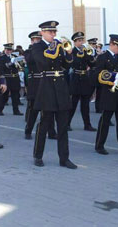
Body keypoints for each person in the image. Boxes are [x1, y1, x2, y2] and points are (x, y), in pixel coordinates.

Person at [32, 20, 77, 169]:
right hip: (47, 87)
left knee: (63, 126)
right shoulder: (37, 47)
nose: (53, 34)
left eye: (54, 32)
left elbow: (67, 64)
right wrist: (55, 47)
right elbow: (43, 62)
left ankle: (64, 158)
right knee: (44, 124)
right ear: (42, 32)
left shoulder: (58, 46)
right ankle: (38, 155)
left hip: (61, 87)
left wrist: (69, 53)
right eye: (50, 32)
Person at [24, 31, 57, 140]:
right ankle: (28, 130)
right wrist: (37, 49)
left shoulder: (47, 49)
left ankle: (51, 131)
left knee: (49, 108)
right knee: (34, 109)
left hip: (46, 81)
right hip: (35, 82)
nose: (38, 41)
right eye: (36, 40)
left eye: (39, 39)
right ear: (32, 41)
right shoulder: (29, 51)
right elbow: (31, 60)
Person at [68, 32, 96, 131]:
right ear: (74, 42)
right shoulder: (71, 51)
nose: (81, 42)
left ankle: (87, 124)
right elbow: (72, 63)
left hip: (84, 78)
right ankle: (67, 123)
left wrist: (91, 55)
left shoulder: (85, 51)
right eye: (79, 41)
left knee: (85, 104)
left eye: (82, 40)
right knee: (73, 103)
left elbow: (92, 64)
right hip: (75, 78)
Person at [0, 43, 22, 116]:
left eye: (10, 50)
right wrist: (11, 62)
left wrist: (19, 62)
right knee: (4, 96)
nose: (9, 51)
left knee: (15, 96)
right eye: (7, 50)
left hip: (15, 78)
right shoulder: (2, 58)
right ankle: (0, 110)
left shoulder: (14, 56)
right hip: (7, 78)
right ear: (5, 50)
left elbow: (20, 67)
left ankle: (16, 110)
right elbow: (2, 67)